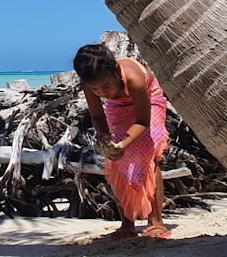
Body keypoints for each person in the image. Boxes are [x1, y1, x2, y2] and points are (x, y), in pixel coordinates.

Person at [73, 43, 171, 240]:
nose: (102, 92)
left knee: (147, 155)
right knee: (116, 161)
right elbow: (98, 117)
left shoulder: (133, 79)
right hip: (118, 106)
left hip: (149, 101)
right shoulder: (90, 84)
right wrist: (104, 137)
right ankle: (127, 224)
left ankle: (155, 221)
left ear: (115, 71)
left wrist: (124, 145)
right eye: (96, 89)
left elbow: (143, 122)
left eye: (106, 86)